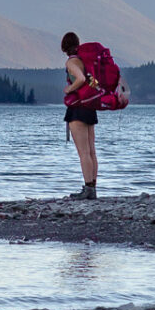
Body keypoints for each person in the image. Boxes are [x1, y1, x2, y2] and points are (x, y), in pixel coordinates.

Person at [62, 31, 98, 199]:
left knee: (83, 152)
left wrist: (69, 89)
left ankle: (88, 189)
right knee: (91, 151)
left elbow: (81, 79)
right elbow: (91, 81)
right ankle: (92, 187)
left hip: (78, 109)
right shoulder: (86, 61)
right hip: (90, 107)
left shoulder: (71, 62)